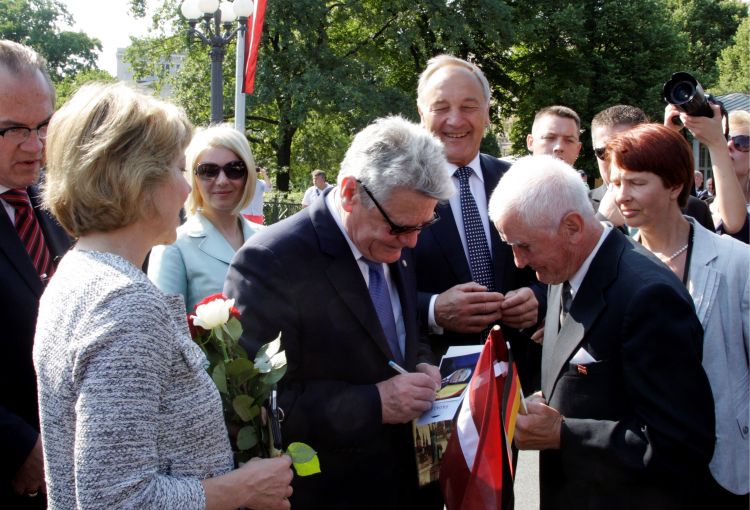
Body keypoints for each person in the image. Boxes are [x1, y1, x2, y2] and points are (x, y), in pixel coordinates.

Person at [34, 82, 293, 509]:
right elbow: (115, 500)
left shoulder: (79, 272)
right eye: (179, 169)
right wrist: (242, 488)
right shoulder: (123, 302)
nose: (187, 189)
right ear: (137, 180)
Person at [224, 116, 453, 510]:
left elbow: (402, 330)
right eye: (400, 228)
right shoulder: (272, 261)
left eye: (424, 225)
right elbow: (261, 403)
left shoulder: (395, 231)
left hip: (411, 483)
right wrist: (376, 403)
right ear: (349, 193)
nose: (413, 242)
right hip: (334, 492)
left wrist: (420, 363)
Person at [489, 155, 715, 509]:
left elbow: (681, 444)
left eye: (525, 246)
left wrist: (563, 434)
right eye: (511, 246)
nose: (519, 261)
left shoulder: (647, 297)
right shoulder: (562, 267)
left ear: (573, 226)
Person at [608, 123, 749, 507]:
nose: (622, 195)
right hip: (638, 463)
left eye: (636, 183)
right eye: (616, 182)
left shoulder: (737, 262)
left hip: (721, 465)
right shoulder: (611, 265)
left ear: (674, 185)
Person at [413, 54, 542, 393]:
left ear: (487, 113)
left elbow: (557, 267)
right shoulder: (398, 189)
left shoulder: (519, 180)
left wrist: (537, 297)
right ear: (421, 114)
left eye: (469, 107)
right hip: (435, 385)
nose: (455, 120)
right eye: (441, 107)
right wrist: (433, 309)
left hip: (521, 380)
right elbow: (372, 290)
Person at [0, 40, 71, 508]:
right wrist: (17, 445)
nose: (35, 145)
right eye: (13, 129)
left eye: (44, 125)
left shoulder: (57, 199)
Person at [148, 123, 263, 311]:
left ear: (248, 175)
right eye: (208, 171)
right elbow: (164, 324)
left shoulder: (266, 239)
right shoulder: (173, 246)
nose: (222, 180)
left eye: (234, 169)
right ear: (193, 178)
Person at [591, 104, 714, 232]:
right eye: (604, 152)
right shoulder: (581, 207)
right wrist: (603, 221)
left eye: (627, 149)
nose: (615, 159)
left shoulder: (693, 208)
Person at [665, 105, 748, 242]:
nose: (728, 145)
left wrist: (717, 143)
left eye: (741, 142)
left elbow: (734, 224)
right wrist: (669, 135)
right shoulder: (697, 206)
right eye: (725, 137)